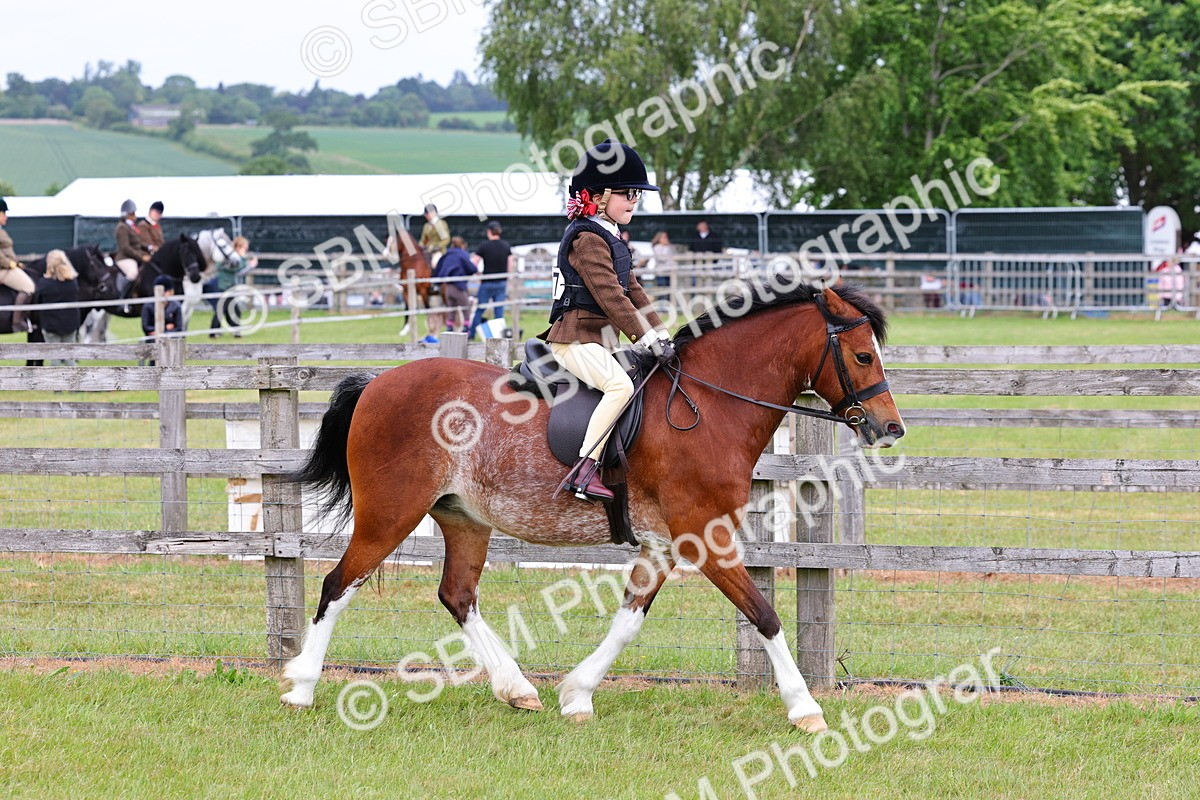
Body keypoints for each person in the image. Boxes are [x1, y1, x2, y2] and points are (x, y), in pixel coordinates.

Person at [540, 139, 673, 503]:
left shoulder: (609, 235)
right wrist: (645, 339)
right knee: (619, 387)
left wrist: (663, 334)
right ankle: (584, 470)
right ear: (599, 197)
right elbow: (611, 297)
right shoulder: (587, 238)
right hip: (574, 339)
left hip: (598, 340)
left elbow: (634, 291)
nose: (634, 200)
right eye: (628, 193)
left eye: (637, 194)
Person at [33, 249, 81, 365]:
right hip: (70, 325)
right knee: (69, 357)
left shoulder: (44, 284)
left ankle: (55, 378)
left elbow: (37, 301)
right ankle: (75, 376)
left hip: (51, 326)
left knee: (54, 358)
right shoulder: (73, 283)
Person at [469, 220, 513, 339]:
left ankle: (471, 334)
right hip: (501, 282)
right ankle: (500, 337)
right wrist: (507, 277)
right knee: (499, 311)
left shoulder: (484, 246)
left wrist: (478, 273)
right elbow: (510, 263)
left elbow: (474, 262)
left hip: (487, 282)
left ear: (489, 232)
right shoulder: (506, 245)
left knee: (480, 310)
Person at [205, 235, 255, 336]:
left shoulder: (237, 258)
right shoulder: (231, 257)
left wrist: (249, 266)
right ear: (238, 247)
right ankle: (216, 332)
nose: (246, 250)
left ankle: (232, 331)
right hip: (222, 286)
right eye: (245, 247)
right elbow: (236, 270)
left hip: (229, 287)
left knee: (231, 309)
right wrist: (250, 266)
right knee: (224, 309)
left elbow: (239, 272)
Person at [0, 197, 36, 332]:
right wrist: (9, 263)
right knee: (29, 287)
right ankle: (17, 322)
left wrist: (16, 263)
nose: (6, 217)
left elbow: (6, 251)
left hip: (8, 266)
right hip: (3, 269)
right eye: (3, 213)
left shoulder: (1, 230)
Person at [433, 236, 477, 334]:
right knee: (465, 309)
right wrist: (466, 274)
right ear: (462, 245)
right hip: (459, 287)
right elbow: (472, 268)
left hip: (448, 288)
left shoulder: (447, 254)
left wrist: (437, 282)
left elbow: (438, 269)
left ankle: (449, 329)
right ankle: (466, 330)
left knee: (451, 311)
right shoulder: (462, 254)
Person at [114, 199, 151, 289]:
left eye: (134, 213)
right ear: (127, 215)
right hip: (125, 257)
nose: (135, 216)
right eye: (132, 214)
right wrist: (141, 257)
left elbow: (139, 242)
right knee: (133, 273)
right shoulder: (122, 227)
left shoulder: (132, 226)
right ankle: (123, 295)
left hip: (135, 256)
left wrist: (149, 247)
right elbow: (125, 248)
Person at [141, 274, 182, 340]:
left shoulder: (176, 306)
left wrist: (163, 333)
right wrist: (165, 328)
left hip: (171, 339)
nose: (164, 294)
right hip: (152, 339)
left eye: (167, 291)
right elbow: (146, 327)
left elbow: (179, 328)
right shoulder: (147, 306)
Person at [419, 203, 451, 268]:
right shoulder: (426, 226)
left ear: (433, 212)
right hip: (427, 251)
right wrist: (419, 247)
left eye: (428, 213)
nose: (426, 216)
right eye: (426, 214)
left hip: (438, 251)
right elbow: (423, 240)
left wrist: (437, 246)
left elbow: (446, 239)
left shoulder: (440, 224)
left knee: (434, 263)